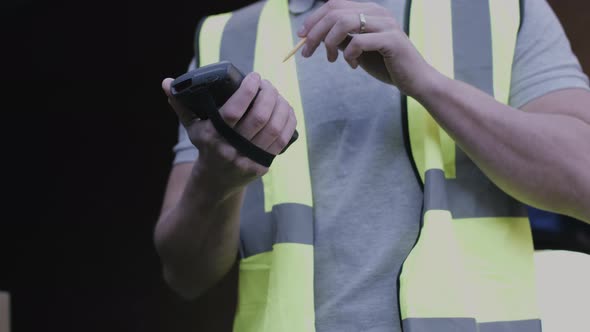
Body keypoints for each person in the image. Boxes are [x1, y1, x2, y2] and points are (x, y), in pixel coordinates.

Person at [154, 0, 590, 331]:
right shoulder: (229, 35)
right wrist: (217, 178)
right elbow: (183, 274)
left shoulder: (499, 8)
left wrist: (426, 83)